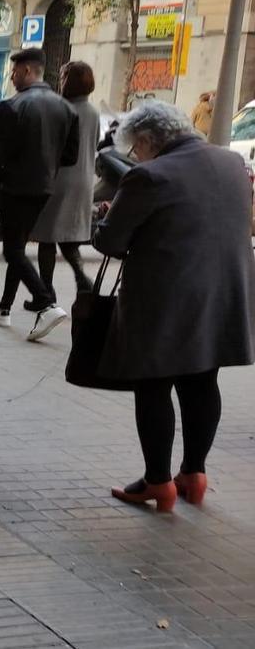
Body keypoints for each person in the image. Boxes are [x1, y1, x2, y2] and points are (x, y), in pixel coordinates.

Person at [94, 101, 255, 512]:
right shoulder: (232, 163)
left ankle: (158, 482)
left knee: (153, 386)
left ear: (148, 140)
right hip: (223, 294)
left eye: (136, 148)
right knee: (202, 381)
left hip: (164, 300)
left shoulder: (149, 176)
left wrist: (106, 218)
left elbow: (111, 242)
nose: (136, 156)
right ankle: (194, 474)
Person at [0, 48, 79, 342]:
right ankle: (4, 308)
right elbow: (70, 156)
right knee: (18, 246)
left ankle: (46, 302)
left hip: (15, 188)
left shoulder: (12, 106)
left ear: (27, 71)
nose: (11, 78)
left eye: (13, 72)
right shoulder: (67, 109)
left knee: (12, 250)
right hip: (43, 188)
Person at [27, 61, 99, 305]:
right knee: (67, 238)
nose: (60, 80)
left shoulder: (62, 109)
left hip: (59, 180)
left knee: (47, 238)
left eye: (63, 76)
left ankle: (45, 294)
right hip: (84, 181)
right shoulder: (93, 112)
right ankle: (82, 282)